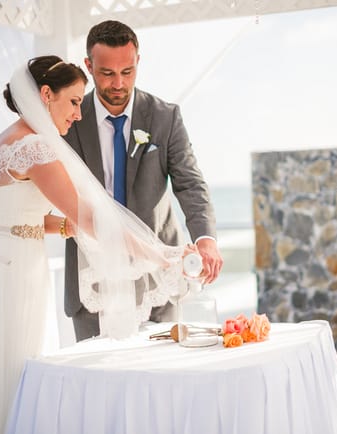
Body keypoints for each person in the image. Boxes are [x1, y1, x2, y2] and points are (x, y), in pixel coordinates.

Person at [0, 55, 190, 434]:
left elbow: (15, 216)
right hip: (15, 274)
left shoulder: (5, 139)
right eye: (73, 102)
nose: (78, 114)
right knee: (15, 369)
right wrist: (159, 255)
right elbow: (89, 216)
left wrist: (63, 227)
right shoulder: (36, 147)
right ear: (47, 94)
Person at [64, 20, 224, 341]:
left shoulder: (165, 117)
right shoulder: (69, 119)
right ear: (89, 66)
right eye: (107, 73)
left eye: (128, 71)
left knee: (162, 373)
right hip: (92, 270)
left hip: (158, 272)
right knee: (98, 379)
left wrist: (205, 238)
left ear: (138, 62)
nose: (119, 83)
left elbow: (189, 183)